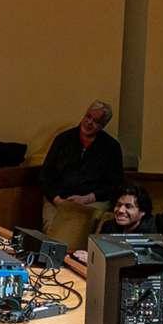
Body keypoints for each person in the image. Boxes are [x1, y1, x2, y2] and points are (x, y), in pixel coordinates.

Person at [38, 100, 124, 242]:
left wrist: (88, 198)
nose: (89, 123)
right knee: (53, 231)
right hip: (58, 198)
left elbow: (115, 184)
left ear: (103, 126)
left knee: (81, 231)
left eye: (96, 121)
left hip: (91, 200)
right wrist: (57, 199)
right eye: (88, 117)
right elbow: (45, 176)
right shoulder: (63, 139)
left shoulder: (111, 147)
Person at [65, 184, 150, 272]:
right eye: (118, 205)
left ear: (142, 212)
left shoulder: (150, 234)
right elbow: (100, 253)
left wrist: (96, 261)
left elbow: (138, 267)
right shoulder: (109, 226)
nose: (120, 210)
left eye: (128, 206)